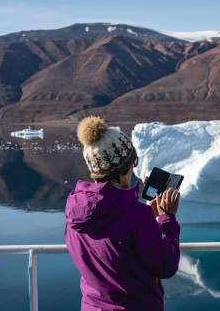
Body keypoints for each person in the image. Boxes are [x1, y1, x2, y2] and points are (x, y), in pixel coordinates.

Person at [65, 115, 181, 311]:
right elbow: (166, 265)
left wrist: (146, 213)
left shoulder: (74, 215)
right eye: (132, 163)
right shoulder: (136, 215)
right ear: (122, 169)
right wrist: (166, 218)